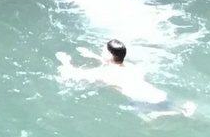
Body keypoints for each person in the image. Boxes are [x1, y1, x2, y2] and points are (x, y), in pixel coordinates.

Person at [56, 40, 195, 119]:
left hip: (140, 101)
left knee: (146, 117)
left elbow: (71, 75)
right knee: (173, 106)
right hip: (158, 94)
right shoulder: (131, 66)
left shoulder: (103, 73)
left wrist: (65, 61)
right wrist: (92, 55)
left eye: (103, 50)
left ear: (109, 55)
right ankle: (180, 109)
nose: (101, 52)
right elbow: (115, 65)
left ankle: (164, 114)